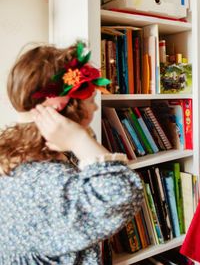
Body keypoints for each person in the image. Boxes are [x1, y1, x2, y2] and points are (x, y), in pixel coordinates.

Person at [0, 42, 143, 264]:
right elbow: (124, 192)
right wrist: (78, 138)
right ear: (67, 107)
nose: (96, 108)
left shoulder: (17, 154)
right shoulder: (45, 183)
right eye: (92, 100)